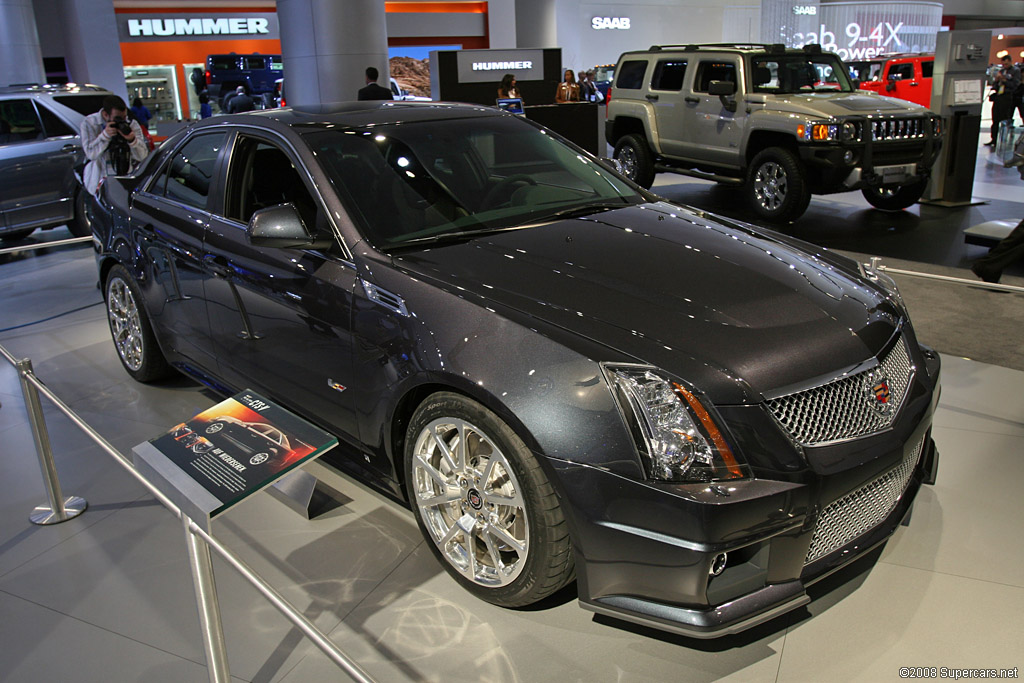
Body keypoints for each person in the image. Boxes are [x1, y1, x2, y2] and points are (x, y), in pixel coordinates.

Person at [80, 95, 149, 197]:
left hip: (124, 179)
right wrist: (105, 135)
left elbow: (142, 157)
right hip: (99, 180)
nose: (122, 121)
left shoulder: (131, 124)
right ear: (105, 114)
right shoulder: (90, 123)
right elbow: (91, 154)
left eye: (125, 117)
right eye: (118, 118)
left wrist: (132, 140)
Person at [986, 55, 1021, 146]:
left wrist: (1004, 80)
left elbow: (1015, 85)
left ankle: (1003, 140)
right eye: (1003, 64)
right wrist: (997, 80)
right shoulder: (1001, 71)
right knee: (995, 119)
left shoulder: (1015, 71)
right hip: (998, 97)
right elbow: (994, 85)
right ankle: (993, 139)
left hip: (1007, 97)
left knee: (1004, 119)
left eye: (1006, 63)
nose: (1004, 65)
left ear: (1010, 61)